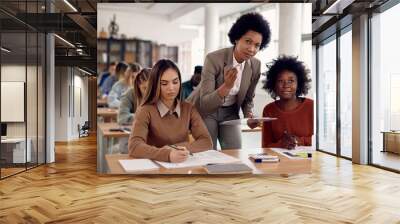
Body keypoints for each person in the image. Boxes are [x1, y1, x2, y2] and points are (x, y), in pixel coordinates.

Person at [188, 12, 271, 150]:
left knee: (235, 151)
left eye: (257, 45)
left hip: (230, 112)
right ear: (237, 39)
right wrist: (226, 87)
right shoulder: (213, 59)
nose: (252, 49)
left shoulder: (255, 65)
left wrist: (248, 115)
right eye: (248, 41)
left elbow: (248, 98)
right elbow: (206, 102)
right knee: (208, 152)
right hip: (206, 111)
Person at [128, 59, 212, 163]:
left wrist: (176, 148)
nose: (171, 88)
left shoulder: (189, 109)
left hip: (183, 165)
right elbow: (134, 146)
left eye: (175, 82)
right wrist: (167, 154)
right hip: (155, 169)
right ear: (155, 85)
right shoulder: (145, 110)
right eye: (164, 83)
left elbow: (206, 141)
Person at [260, 56, 313, 149]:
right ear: (274, 84)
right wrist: (281, 144)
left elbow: (322, 141)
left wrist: (299, 141)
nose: (286, 85)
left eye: (291, 81)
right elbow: (265, 146)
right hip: (281, 162)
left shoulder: (311, 106)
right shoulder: (269, 110)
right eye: (281, 81)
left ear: (298, 83)